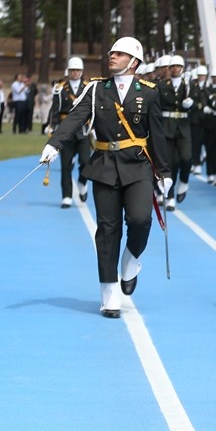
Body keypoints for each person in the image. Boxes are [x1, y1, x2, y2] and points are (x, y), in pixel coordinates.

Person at [40, 37, 170, 319]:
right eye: (112, 52)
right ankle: (109, 293)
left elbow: (157, 135)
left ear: (134, 61)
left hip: (137, 166)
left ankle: (132, 258)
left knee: (140, 219)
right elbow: (75, 119)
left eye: (119, 54)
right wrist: (54, 144)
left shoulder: (148, 92)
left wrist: (165, 172)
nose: (112, 56)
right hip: (105, 165)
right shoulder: (97, 89)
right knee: (107, 230)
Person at [46, 57, 92, 208]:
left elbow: (93, 110)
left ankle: (82, 183)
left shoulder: (88, 87)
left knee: (86, 161)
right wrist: (51, 125)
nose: (75, 73)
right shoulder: (60, 88)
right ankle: (66, 196)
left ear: (81, 71)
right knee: (65, 165)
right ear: (68, 71)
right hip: (65, 130)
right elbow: (55, 109)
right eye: (72, 70)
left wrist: (95, 128)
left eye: (78, 70)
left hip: (83, 130)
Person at [156, 55, 195, 210]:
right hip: (167, 126)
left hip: (183, 126)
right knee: (170, 163)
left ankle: (184, 181)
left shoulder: (189, 85)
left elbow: (198, 102)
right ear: (169, 69)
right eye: (172, 67)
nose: (175, 69)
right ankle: (170, 196)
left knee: (186, 158)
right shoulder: (162, 85)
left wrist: (191, 104)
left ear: (182, 68)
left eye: (178, 66)